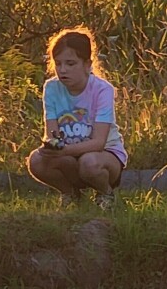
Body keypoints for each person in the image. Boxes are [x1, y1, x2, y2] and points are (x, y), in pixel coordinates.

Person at [26, 28, 127, 208]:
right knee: (36, 160)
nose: (63, 70)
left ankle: (106, 193)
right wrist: (50, 147)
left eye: (71, 64)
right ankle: (70, 194)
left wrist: (63, 151)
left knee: (89, 162)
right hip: (70, 158)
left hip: (104, 157)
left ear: (87, 64)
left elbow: (98, 143)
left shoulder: (103, 90)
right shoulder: (51, 88)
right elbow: (52, 134)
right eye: (58, 64)